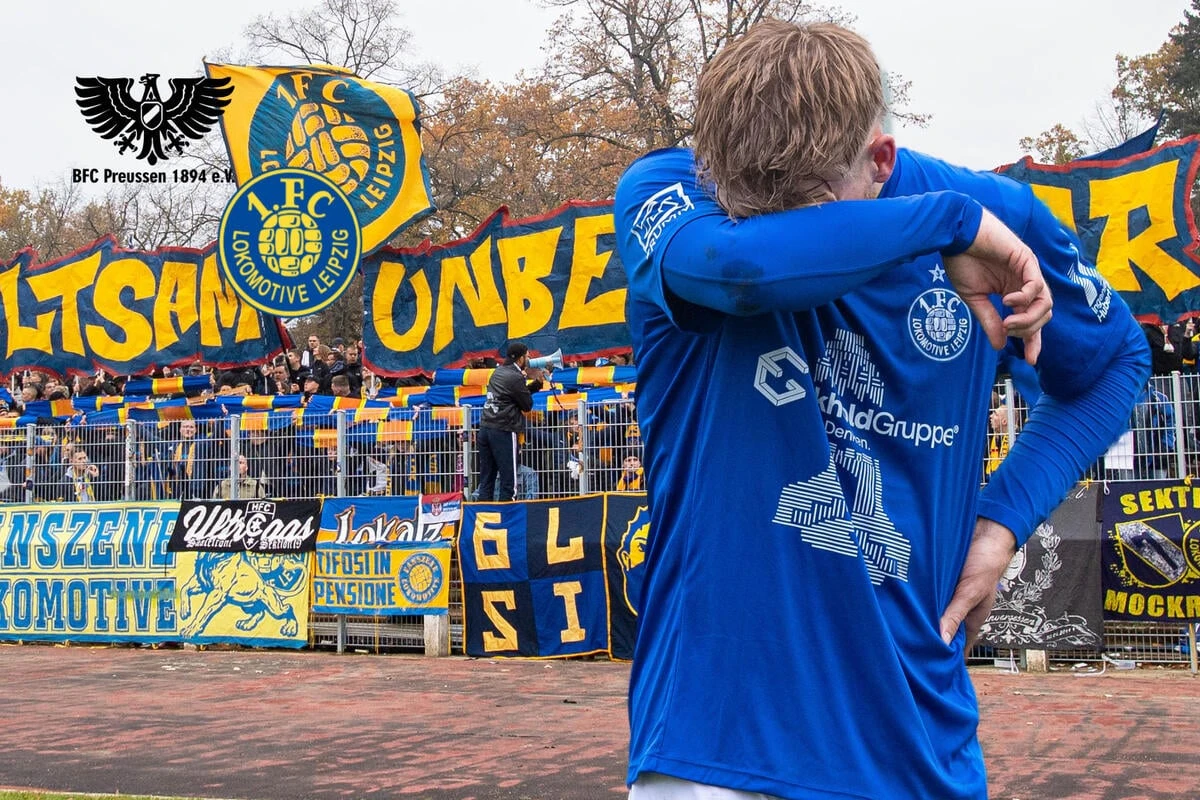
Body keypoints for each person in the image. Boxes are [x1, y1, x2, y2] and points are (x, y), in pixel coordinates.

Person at [612, 19, 1150, 800]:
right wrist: (951, 225)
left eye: (812, 214)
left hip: (916, 743)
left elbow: (1113, 367)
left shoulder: (1003, 218)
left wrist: (1001, 524)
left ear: (882, 161)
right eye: (749, 208)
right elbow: (741, 270)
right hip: (714, 745)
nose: (792, 240)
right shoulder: (669, 190)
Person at [476, 342, 544, 502]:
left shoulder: (498, 372)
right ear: (520, 359)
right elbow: (526, 405)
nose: (529, 359)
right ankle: (507, 518)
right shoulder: (516, 377)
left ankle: (484, 513)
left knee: (487, 479)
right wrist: (534, 381)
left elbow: (512, 395)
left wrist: (536, 385)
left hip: (486, 428)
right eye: (527, 356)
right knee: (509, 480)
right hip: (504, 429)